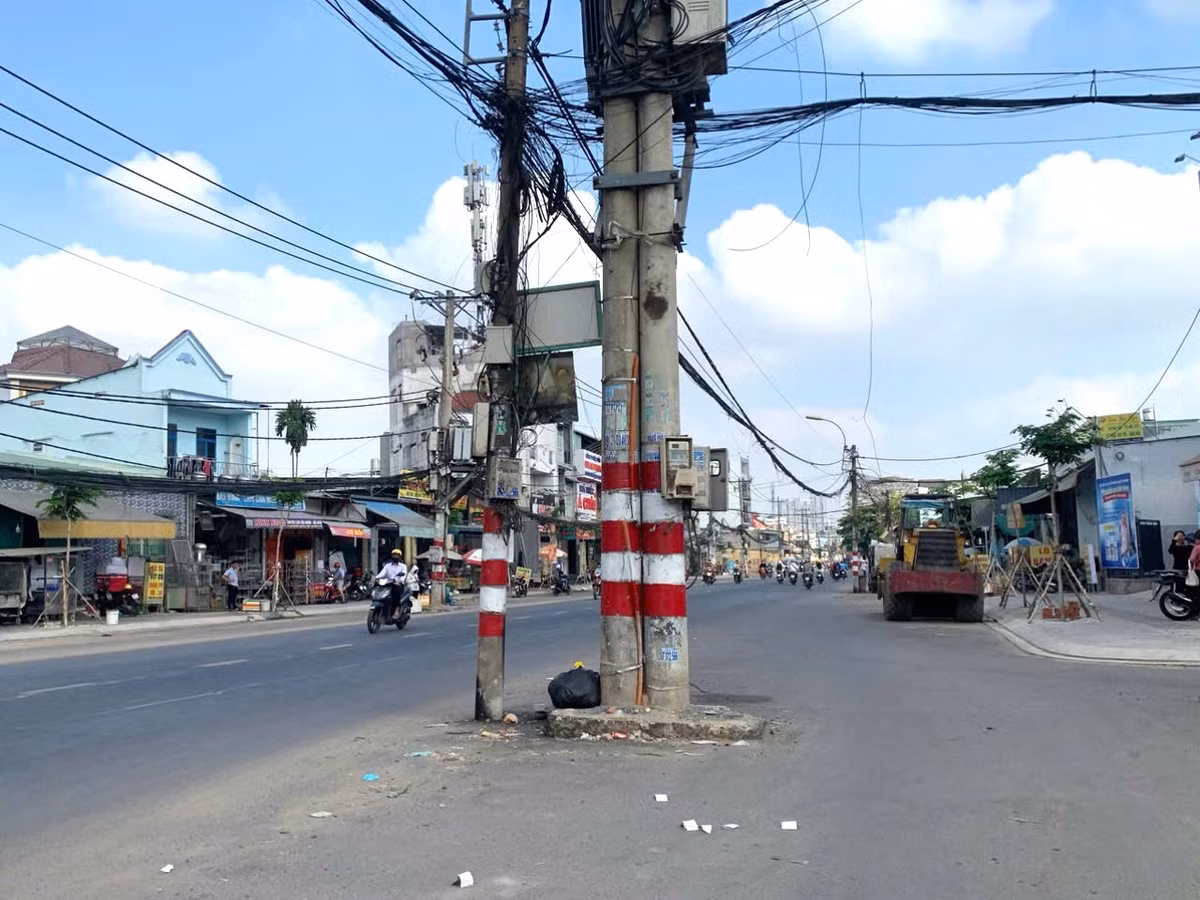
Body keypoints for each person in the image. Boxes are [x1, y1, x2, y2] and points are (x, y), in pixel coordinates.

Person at [376, 549, 409, 621]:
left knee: (396, 592)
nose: (395, 556)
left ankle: (396, 610)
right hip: (388, 584)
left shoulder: (403, 566)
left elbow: (403, 575)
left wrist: (399, 581)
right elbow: (382, 574)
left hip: (398, 584)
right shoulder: (387, 566)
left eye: (397, 555)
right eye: (394, 555)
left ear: (400, 557)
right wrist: (376, 577)